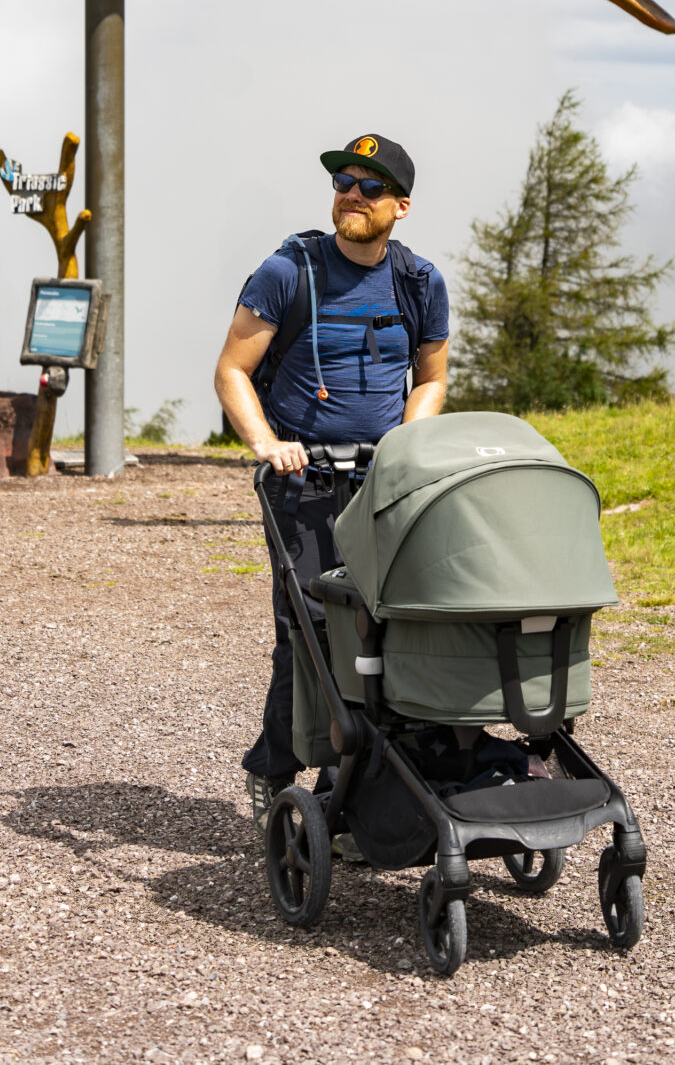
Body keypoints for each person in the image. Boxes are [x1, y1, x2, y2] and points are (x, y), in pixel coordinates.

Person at [214, 134, 449, 832]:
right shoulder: (288, 271)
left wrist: (408, 446)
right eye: (344, 180)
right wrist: (265, 443)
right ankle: (275, 770)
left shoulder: (418, 281)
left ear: (400, 207)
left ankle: (348, 787)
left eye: (370, 186)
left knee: (391, 623)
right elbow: (232, 369)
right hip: (302, 476)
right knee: (312, 629)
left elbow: (431, 380)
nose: (351, 192)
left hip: (383, 479)